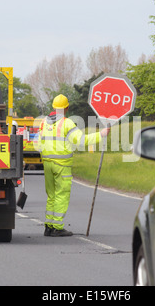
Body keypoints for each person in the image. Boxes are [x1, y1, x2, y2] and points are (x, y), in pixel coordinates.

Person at [37, 94, 110, 237]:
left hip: (47, 164)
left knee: (51, 195)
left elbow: (40, 143)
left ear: (53, 107)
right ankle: (57, 227)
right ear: (66, 108)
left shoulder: (43, 122)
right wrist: (101, 134)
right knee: (61, 195)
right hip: (62, 164)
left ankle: (49, 226)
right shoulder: (67, 123)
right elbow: (81, 141)